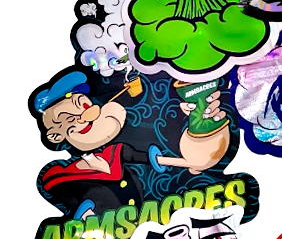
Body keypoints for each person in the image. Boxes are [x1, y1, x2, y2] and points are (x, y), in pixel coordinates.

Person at [32, 71, 225, 223]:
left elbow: (150, 158)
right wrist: (82, 211)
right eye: (69, 120)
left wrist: (192, 160)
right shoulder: (60, 175)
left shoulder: (116, 152)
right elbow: (58, 188)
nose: (84, 117)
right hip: (112, 229)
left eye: (84, 106)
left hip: (152, 216)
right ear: (56, 136)